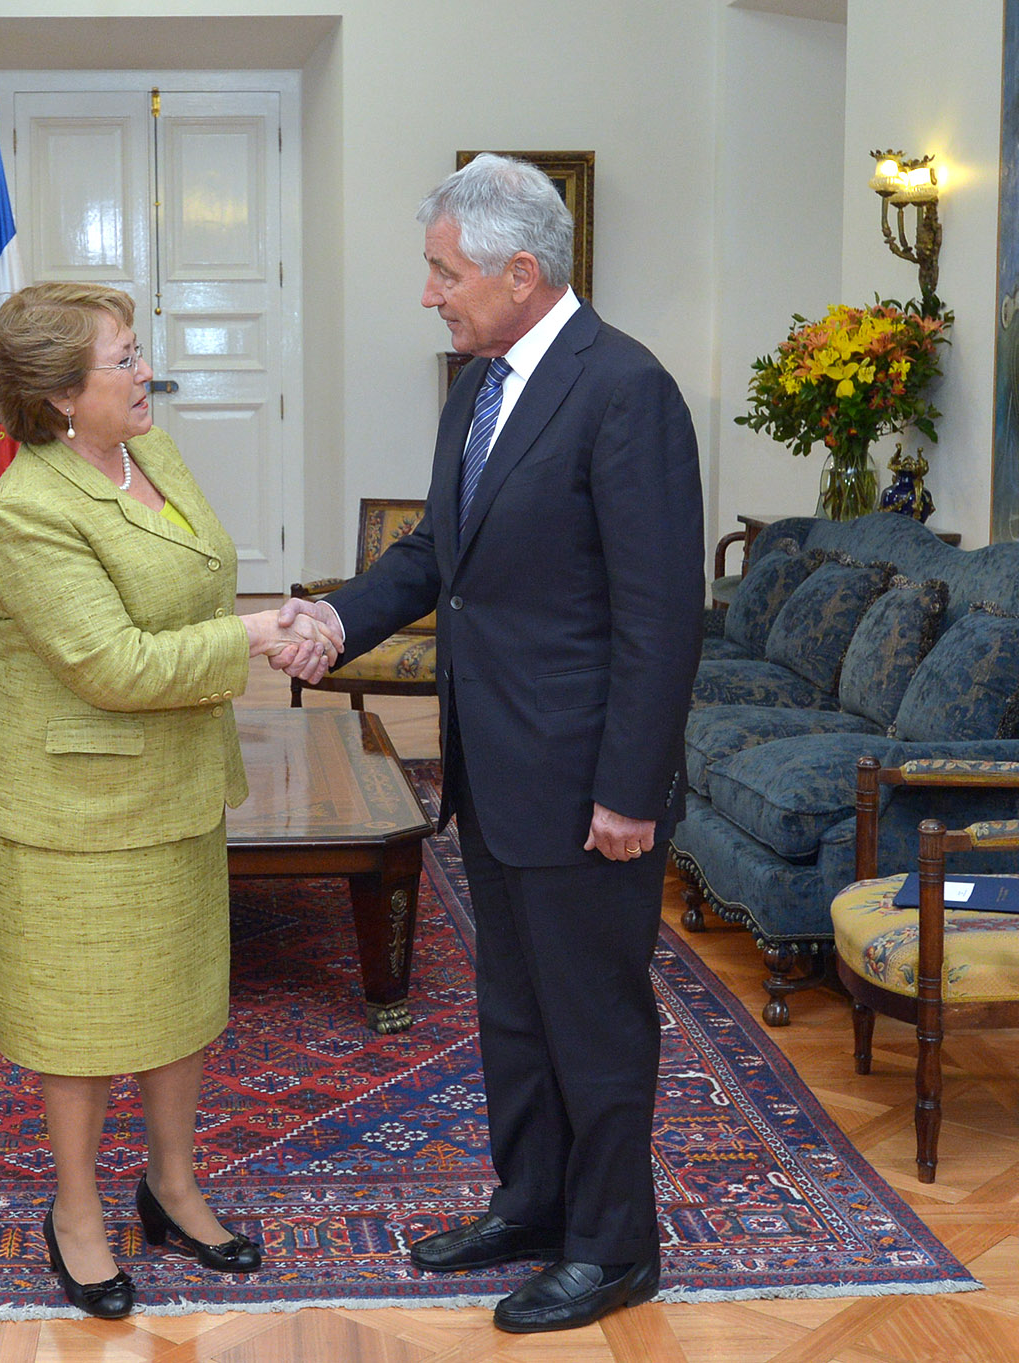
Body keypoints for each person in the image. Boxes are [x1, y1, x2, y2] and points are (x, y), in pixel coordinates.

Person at [276, 154, 703, 1333]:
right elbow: (437, 555)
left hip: (584, 782)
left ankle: (612, 1248)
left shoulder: (626, 389)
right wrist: (334, 619)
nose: (428, 294)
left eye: (442, 272)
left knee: (593, 1019)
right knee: (515, 1013)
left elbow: (661, 615)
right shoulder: (477, 386)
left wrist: (630, 789)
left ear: (520, 272)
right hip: (494, 766)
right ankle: (532, 1205)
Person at [0, 281, 332, 1318]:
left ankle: (172, 1186)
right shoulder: (26, 510)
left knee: (180, 999)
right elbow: (114, 664)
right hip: (72, 808)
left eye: (138, 351)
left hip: (178, 779)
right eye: (124, 359)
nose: (146, 373)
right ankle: (77, 1211)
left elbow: (199, 583)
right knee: (79, 1017)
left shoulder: (152, 454)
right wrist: (259, 636)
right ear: (58, 396)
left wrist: (266, 622)